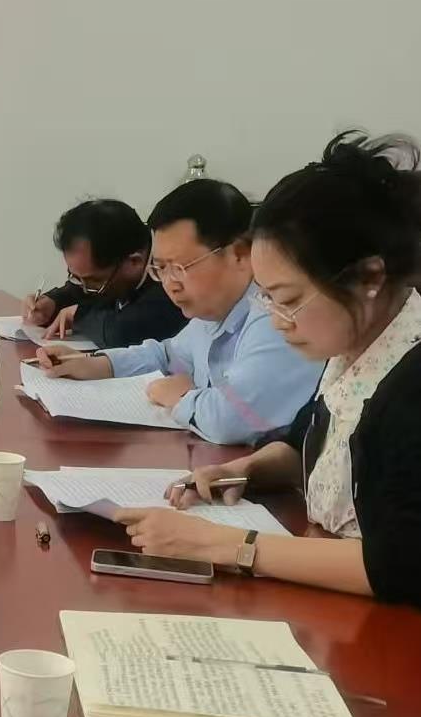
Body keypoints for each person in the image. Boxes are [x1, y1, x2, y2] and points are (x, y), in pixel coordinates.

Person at [115, 132, 421, 607]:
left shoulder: (411, 383)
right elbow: (304, 442)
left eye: (290, 300)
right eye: (268, 298)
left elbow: (400, 563)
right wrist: (246, 469)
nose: (277, 321)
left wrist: (223, 545)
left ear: (370, 277)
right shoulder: (353, 349)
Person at [36, 179, 322, 444]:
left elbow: (229, 421)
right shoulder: (213, 311)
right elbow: (167, 355)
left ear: (239, 254)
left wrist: (182, 396)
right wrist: (94, 364)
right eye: (161, 268)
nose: (170, 284)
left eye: (181, 268)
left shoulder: (275, 318)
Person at [24, 198, 187, 348]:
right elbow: (82, 290)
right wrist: (53, 302)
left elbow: (121, 332)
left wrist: (78, 316)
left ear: (134, 261)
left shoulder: (170, 276)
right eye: (76, 277)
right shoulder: (113, 269)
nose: (85, 289)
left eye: (93, 281)